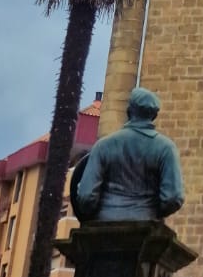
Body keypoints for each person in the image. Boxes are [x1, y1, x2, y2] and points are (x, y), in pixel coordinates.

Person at [73, 86, 184, 222]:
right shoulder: (166, 148)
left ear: (129, 111)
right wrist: (152, 212)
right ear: (154, 116)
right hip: (146, 223)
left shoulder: (103, 146)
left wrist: (95, 213)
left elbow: (86, 196)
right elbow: (173, 197)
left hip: (104, 224)